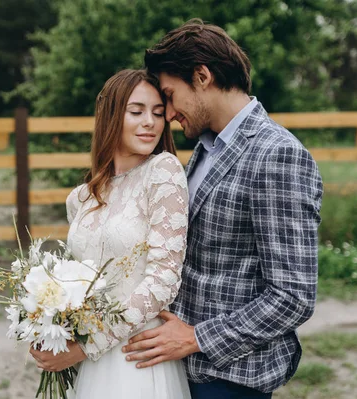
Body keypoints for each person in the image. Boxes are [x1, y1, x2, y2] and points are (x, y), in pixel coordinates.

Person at [121, 19, 323, 399]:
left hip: (232, 378)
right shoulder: (206, 147)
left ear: (201, 76)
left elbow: (292, 296)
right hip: (184, 369)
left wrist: (198, 337)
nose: (167, 110)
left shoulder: (277, 154)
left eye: (169, 94)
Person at [29, 69, 191, 398]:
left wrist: (89, 344)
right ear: (111, 115)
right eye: (137, 111)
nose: (150, 122)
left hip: (137, 354)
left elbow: (163, 280)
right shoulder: (81, 198)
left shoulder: (163, 172)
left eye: (158, 113)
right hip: (88, 362)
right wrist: (51, 325)